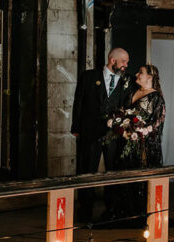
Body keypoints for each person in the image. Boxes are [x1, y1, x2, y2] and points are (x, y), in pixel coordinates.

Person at [71, 47, 132, 220]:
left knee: (112, 172)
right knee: (87, 171)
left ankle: (111, 210)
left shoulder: (125, 80)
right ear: (113, 61)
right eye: (124, 62)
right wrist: (76, 127)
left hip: (113, 134)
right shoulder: (89, 76)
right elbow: (79, 102)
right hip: (90, 132)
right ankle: (85, 211)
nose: (126, 65)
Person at [121, 64, 166, 169]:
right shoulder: (132, 92)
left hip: (144, 145)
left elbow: (158, 121)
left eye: (141, 72)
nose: (136, 74)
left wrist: (142, 130)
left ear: (149, 77)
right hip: (125, 139)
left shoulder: (156, 97)